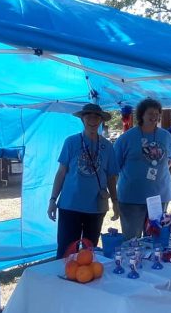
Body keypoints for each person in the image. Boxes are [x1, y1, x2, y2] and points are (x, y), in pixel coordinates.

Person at [47, 103, 120, 259]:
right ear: (82, 119)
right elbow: (61, 172)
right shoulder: (71, 142)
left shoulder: (107, 146)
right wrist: (53, 199)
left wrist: (115, 201)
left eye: (96, 117)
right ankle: (63, 280)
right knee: (66, 251)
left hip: (96, 207)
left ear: (101, 121)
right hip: (70, 205)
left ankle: (85, 280)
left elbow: (111, 177)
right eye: (89, 117)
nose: (93, 120)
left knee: (89, 252)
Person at [113, 98, 171, 239]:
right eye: (150, 113)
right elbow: (114, 167)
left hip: (159, 196)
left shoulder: (166, 136)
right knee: (132, 239)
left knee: (155, 238)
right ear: (141, 114)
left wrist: (158, 171)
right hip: (132, 197)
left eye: (157, 113)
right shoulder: (126, 138)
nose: (154, 117)